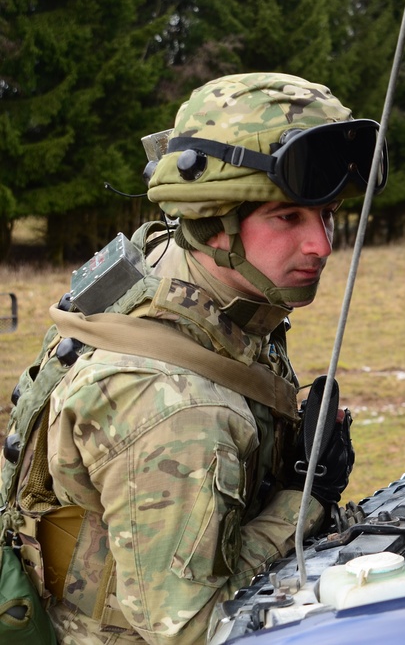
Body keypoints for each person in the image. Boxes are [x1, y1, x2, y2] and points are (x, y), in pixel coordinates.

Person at [2, 72, 383, 644]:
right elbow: (193, 629)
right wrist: (304, 502)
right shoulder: (175, 411)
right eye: (288, 218)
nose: (322, 246)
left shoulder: (172, 269)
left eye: (327, 215)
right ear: (211, 219)